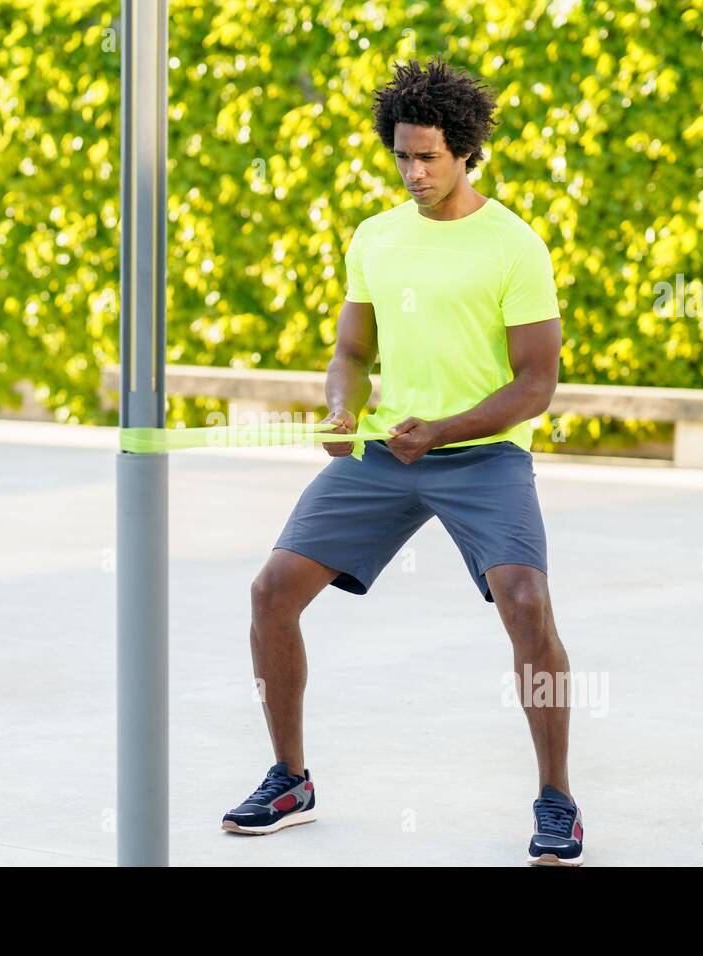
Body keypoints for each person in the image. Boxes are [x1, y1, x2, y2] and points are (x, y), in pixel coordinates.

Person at [220, 57, 583, 866]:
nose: (413, 172)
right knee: (271, 591)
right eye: (401, 156)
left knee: (526, 604)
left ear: (466, 152)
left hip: (481, 451)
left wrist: (446, 431)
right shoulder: (375, 238)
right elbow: (350, 349)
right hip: (388, 450)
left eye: (428, 157)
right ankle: (289, 780)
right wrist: (342, 409)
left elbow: (536, 386)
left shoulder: (514, 245)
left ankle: (556, 797)